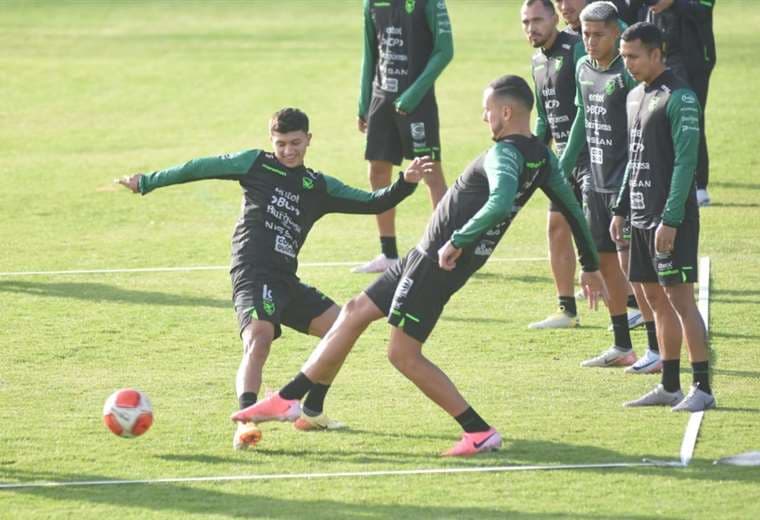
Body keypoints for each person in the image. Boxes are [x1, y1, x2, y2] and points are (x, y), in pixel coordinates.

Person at [231, 75, 608, 456]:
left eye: (488, 109)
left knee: (402, 354)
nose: (484, 115)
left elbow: (499, 201)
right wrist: (590, 264)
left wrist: (457, 240)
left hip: (438, 260)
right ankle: (298, 402)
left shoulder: (504, 155)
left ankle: (478, 431)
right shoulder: (543, 158)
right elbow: (574, 209)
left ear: (506, 112)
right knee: (355, 311)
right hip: (421, 255)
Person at [118, 108, 433, 449]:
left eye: (295, 143)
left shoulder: (318, 185)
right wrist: (149, 181)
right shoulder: (255, 164)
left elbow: (373, 202)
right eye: (281, 143)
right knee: (259, 340)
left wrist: (407, 182)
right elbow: (199, 167)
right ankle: (245, 422)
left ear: (309, 140)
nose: (288, 151)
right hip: (252, 272)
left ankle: (312, 410)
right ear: (272, 141)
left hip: (286, 278)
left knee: (341, 330)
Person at [612, 22, 715, 411]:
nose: (628, 65)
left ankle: (702, 387)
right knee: (654, 300)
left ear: (658, 53)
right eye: (624, 58)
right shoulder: (635, 95)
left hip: (670, 219)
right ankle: (669, 385)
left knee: (681, 301)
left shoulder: (681, 98)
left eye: (634, 57)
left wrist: (670, 220)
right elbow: (634, 157)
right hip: (639, 215)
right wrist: (622, 207)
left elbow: (686, 163)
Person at [559, 1, 658, 371]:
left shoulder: (627, 73)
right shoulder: (582, 67)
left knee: (636, 271)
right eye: (585, 33)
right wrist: (561, 168)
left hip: (628, 187)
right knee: (604, 265)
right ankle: (622, 345)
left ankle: (655, 347)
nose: (590, 41)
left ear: (617, 32)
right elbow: (583, 118)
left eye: (599, 34)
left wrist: (625, 193)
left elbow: (641, 135)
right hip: (595, 184)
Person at [353, 0, 453, 273]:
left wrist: (414, 94)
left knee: (431, 173)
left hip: (417, 101)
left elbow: (445, 51)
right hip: (381, 99)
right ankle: (388, 254)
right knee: (377, 171)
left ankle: (441, 249)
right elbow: (370, 52)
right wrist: (364, 102)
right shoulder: (372, 3)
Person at [521, 0, 590, 329]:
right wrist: (532, 154)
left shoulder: (576, 49)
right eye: (525, 22)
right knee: (556, 229)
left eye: (536, 20)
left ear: (553, 19)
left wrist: (565, 161)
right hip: (561, 163)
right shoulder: (537, 61)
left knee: (602, 235)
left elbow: (587, 110)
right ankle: (567, 310)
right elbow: (544, 118)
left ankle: (633, 303)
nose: (530, 28)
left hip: (592, 159)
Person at [633, 0, 716, 206]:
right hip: (657, 58)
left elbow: (704, 9)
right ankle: (662, 181)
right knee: (654, 119)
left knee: (691, 120)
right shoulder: (649, 11)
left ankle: (699, 186)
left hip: (692, 63)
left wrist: (671, 2)